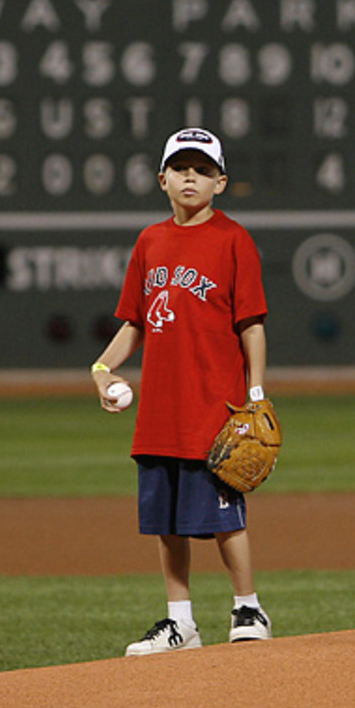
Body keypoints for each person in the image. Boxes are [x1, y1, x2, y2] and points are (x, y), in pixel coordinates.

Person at [91, 127, 272, 656]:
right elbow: (134, 322)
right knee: (165, 521)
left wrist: (256, 395)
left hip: (215, 406)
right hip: (161, 410)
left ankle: (248, 606)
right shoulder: (150, 241)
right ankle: (180, 622)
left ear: (221, 181)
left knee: (223, 516)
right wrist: (102, 367)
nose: (190, 177)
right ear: (162, 179)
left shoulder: (233, 239)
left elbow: (252, 325)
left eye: (202, 169)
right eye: (180, 168)